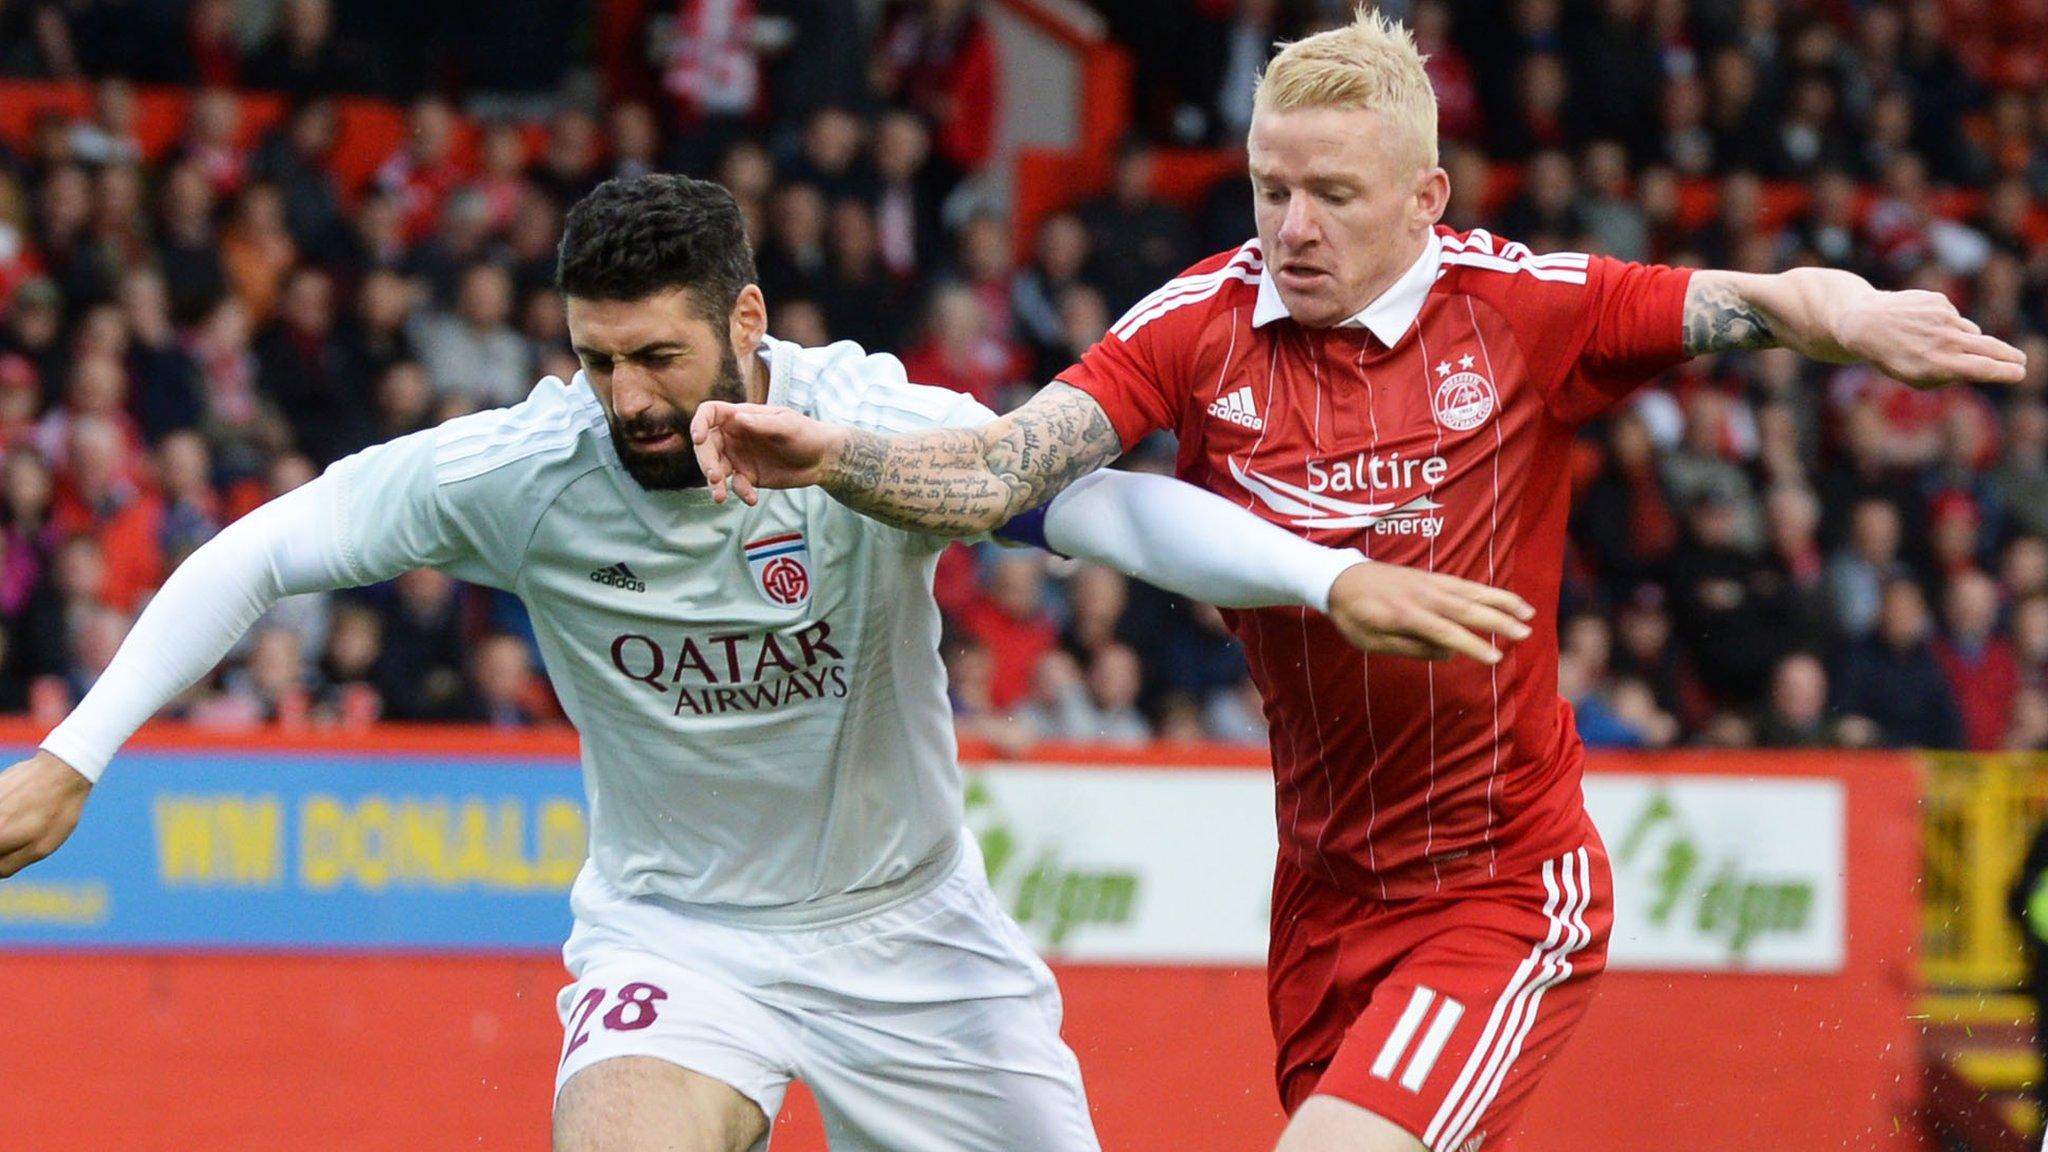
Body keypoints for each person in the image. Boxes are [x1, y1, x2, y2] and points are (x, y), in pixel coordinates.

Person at [687, 13, 2029, 1152]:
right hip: (1324, 895)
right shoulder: (1197, 324)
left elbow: (1761, 293)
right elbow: (1001, 476)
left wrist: (1850, 316)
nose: (1293, 224)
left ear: (1425, 202)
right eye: (1273, 187)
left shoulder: (1524, 311)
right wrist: (834, 455)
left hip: (1500, 887)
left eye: (1332, 194)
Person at [0, 174, 1533, 1152]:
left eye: (658, 358)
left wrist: (1321, 577)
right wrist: (79, 751)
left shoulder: (871, 433)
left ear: (746, 320)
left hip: (912, 941)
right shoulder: (528, 469)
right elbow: (270, 544)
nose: (627, 398)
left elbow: (1103, 506)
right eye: (596, 359)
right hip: (679, 938)